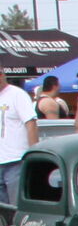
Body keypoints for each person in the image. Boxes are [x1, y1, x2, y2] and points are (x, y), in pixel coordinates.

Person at [0, 67, 39, 205]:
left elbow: (31, 124)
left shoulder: (17, 95)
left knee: (17, 208)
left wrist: (34, 155)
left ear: (2, 75)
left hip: (16, 161)